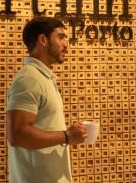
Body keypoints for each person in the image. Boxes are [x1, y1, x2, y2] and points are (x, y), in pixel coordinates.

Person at [6, 16, 87, 183]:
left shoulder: (43, 78)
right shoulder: (29, 79)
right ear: (43, 40)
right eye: (61, 36)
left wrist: (68, 134)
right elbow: (17, 134)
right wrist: (66, 136)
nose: (66, 44)